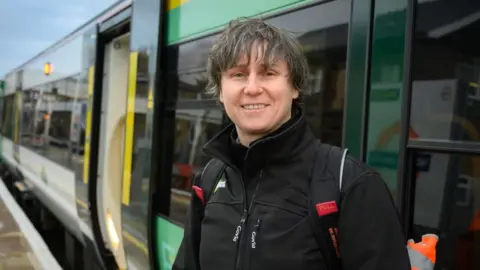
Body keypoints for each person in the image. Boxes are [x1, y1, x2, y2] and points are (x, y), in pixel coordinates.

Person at [177, 18, 411, 270]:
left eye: (268, 73)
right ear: (221, 92)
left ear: (295, 87)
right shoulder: (209, 179)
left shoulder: (350, 184)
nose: (252, 88)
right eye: (238, 74)